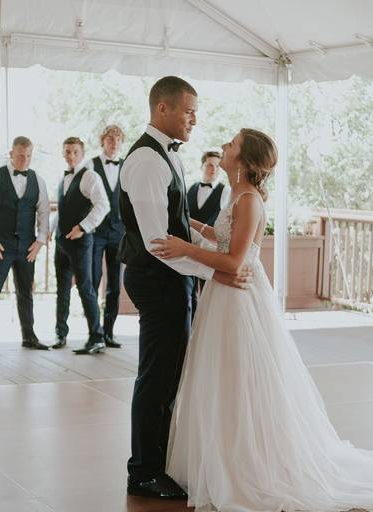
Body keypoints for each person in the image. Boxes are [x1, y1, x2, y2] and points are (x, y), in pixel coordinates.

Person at [153, 128, 373, 512]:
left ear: (244, 160)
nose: (224, 146)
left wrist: (183, 248)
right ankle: (222, 454)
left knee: (241, 380)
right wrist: (193, 225)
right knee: (222, 377)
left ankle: (247, 462)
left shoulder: (249, 200)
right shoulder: (235, 195)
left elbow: (235, 261)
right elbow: (224, 239)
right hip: (223, 294)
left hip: (238, 298)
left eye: (232, 144)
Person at [118, 76, 251, 500]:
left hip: (174, 278)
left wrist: (211, 264)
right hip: (157, 279)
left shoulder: (169, 157)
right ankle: (142, 471)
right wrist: (219, 273)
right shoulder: (146, 161)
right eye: (189, 110)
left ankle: (161, 462)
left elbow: (178, 228)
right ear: (163, 110)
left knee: (170, 372)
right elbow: (159, 243)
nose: (196, 118)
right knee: (157, 375)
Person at [0, 136, 51, 353]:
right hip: (0, 244)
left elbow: (44, 212)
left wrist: (40, 241)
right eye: (20, 155)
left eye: (28, 156)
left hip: (27, 245)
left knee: (26, 291)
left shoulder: (39, 180)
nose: (24, 160)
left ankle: (29, 336)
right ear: (11, 153)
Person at [52, 136, 110, 354]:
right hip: (61, 242)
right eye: (67, 151)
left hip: (81, 242)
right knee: (62, 290)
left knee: (86, 289)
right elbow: (63, 208)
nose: (71, 155)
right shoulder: (63, 178)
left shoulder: (90, 176)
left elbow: (103, 205)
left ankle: (97, 337)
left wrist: (83, 227)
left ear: (82, 154)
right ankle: (61, 334)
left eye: (75, 151)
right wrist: (51, 231)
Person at [90, 124, 126, 348]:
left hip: (119, 232)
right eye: (110, 140)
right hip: (96, 232)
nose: (114, 144)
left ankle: (109, 332)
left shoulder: (127, 166)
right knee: (93, 281)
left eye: (117, 140)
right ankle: (94, 332)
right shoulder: (90, 166)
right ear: (103, 141)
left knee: (115, 284)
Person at [186, 150, 230, 228]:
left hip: (207, 239)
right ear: (202, 166)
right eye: (210, 165)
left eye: (217, 166)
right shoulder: (189, 188)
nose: (214, 169)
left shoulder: (226, 192)